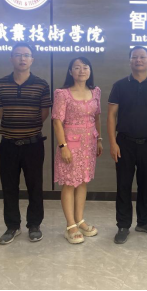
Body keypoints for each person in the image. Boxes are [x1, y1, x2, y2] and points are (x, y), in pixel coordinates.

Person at [0, 43, 52, 245]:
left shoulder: (41, 85)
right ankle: (12, 226)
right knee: (9, 187)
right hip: (8, 144)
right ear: (11, 58)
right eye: (18, 55)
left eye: (26, 55)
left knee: (35, 186)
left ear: (32, 59)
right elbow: (1, 112)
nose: (22, 58)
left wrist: (29, 127)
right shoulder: (0, 84)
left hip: (33, 144)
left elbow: (44, 113)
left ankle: (34, 225)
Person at [108, 46, 147, 245]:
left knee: (145, 184)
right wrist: (113, 142)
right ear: (130, 61)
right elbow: (111, 115)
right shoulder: (119, 85)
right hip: (124, 143)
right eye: (135, 57)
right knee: (123, 185)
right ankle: (123, 225)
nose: (139, 60)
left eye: (143, 57)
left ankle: (144, 222)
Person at [53, 57, 103, 245]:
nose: (82, 70)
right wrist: (63, 146)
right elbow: (57, 121)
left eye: (85, 67)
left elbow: (97, 117)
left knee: (83, 181)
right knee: (69, 183)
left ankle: (80, 220)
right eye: (77, 67)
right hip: (70, 144)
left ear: (90, 70)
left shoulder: (96, 91)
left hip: (89, 144)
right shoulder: (62, 94)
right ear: (70, 71)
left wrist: (99, 139)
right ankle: (70, 225)